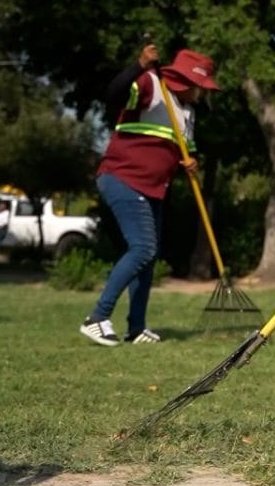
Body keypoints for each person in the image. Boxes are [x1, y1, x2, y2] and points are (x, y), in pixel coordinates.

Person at [78, 43, 219, 346]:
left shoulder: (187, 114)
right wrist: (138, 65)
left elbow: (184, 155)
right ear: (187, 82)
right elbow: (112, 95)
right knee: (142, 248)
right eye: (200, 87)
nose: (202, 94)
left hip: (154, 188)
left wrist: (191, 164)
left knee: (148, 257)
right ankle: (97, 318)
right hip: (123, 179)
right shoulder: (149, 86)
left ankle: (136, 328)